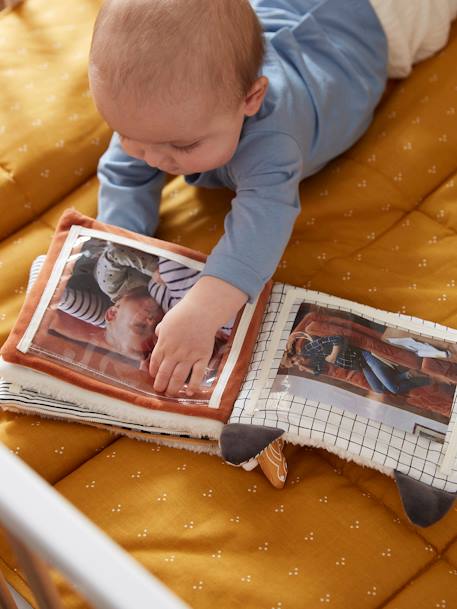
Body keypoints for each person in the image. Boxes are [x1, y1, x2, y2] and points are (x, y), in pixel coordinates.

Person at [88, 0, 457, 397]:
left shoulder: (272, 143)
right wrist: (119, 237)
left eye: (183, 144)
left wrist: (202, 312)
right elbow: (123, 174)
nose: (154, 159)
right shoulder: (151, 112)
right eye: (127, 135)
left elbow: (259, 228)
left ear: (251, 99)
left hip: (388, 18)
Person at [285, 333, 431, 395]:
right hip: (362, 365)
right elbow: (318, 370)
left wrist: (333, 355)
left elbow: (337, 338)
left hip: (364, 355)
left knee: (394, 389)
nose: (296, 362)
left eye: (293, 360)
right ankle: (408, 374)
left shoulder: (308, 348)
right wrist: (303, 367)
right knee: (379, 390)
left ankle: (426, 380)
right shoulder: (308, 358)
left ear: (294, 353)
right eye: (294, 364)